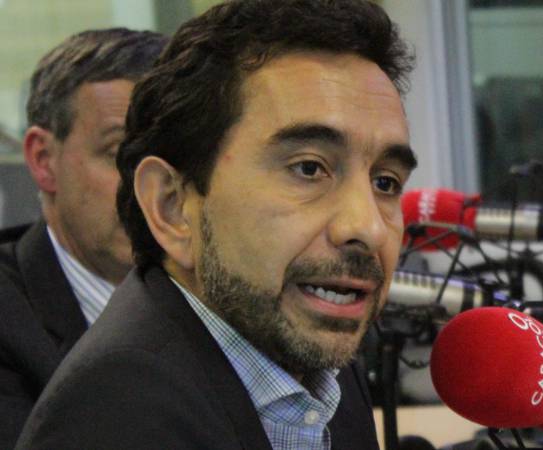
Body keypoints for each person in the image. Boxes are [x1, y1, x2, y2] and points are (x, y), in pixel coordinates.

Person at [16, 1, 417, 449]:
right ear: (171, 206)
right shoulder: (116, 419)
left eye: (385, 182)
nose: (368, 227)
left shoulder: (316, 362)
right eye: (308, 169)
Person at [0, 28, 166, 448]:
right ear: (43, 160)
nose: (152, 191)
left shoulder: (224, 291)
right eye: (119, 155)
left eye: (168, 158)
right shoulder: (8, 318)